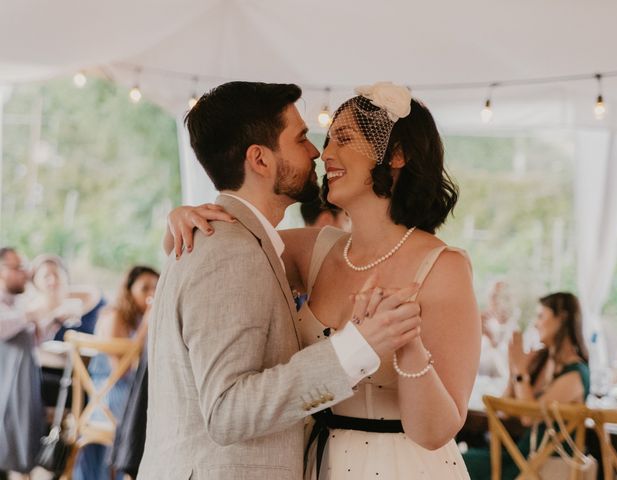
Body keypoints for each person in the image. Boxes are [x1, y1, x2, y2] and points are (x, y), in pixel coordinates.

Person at [167, 82, 480, 479]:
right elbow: (232, 247)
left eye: (344, 138)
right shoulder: (313, 250)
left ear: (396, 155)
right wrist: (181, 217)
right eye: (327, 139)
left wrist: (408, 347)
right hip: (316, 464)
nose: (325, 153)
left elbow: (436, 432)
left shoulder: (444, 267)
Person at [462, 292, 590, 479]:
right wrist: (515, 370)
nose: (536, 324)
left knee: (463, 465)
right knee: (460, 460)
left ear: (562, 318)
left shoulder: (576, 373)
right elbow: (505, 409)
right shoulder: (541, 360)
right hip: (522, 456)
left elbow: (530, 417)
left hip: (544, 465)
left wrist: (521, 371)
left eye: (541, 316)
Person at [73, 266, 158, 480]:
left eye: (156, 287)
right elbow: (122, 371)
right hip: (106, 397)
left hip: (126, 392)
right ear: (129, 291)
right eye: (145, 288)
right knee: (146, 414)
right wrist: (147, 325)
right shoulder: (114, 315)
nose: (152, 293)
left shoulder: (137, 319)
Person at [0, 248, 49, 476]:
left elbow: (35, 342)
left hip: (22, 386)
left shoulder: (20, 302)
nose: (25, 272)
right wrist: (31, 315)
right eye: (18, 267)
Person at [29, 254, 105, 341]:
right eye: (46, 276)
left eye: (56, 275)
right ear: (35, 281)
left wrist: (78, 310)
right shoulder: (33, 311)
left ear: (66, 276)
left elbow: (95, 294)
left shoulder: (83, 297)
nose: (53, 281)